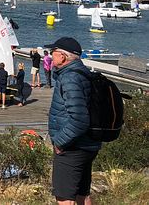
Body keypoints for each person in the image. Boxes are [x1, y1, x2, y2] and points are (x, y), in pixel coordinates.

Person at [44, 37, 101, 205]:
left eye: (53, 53)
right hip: (87, 144)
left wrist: (60, 142)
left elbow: (79, 118)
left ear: (62, 56)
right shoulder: (82, 73)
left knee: (65, 199)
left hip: (73, 147)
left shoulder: (69, 78)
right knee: (82, 194)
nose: (49, 56)